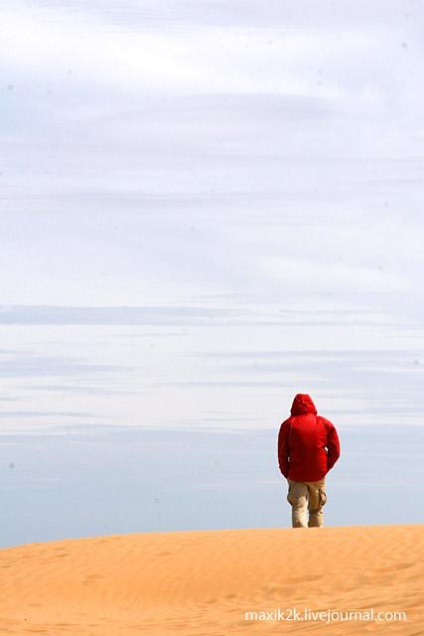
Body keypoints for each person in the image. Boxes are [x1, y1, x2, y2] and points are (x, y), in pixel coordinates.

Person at [277, 393, 340, 528]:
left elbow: (282, 453)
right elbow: (335, 450)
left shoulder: (288, 424)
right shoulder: (324, 423)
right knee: (316, 509)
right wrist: (324, 468)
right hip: (317, 474)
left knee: (299, 508)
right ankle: (316, 542)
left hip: (296, 474)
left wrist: (286, 472)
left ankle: (301, 541)